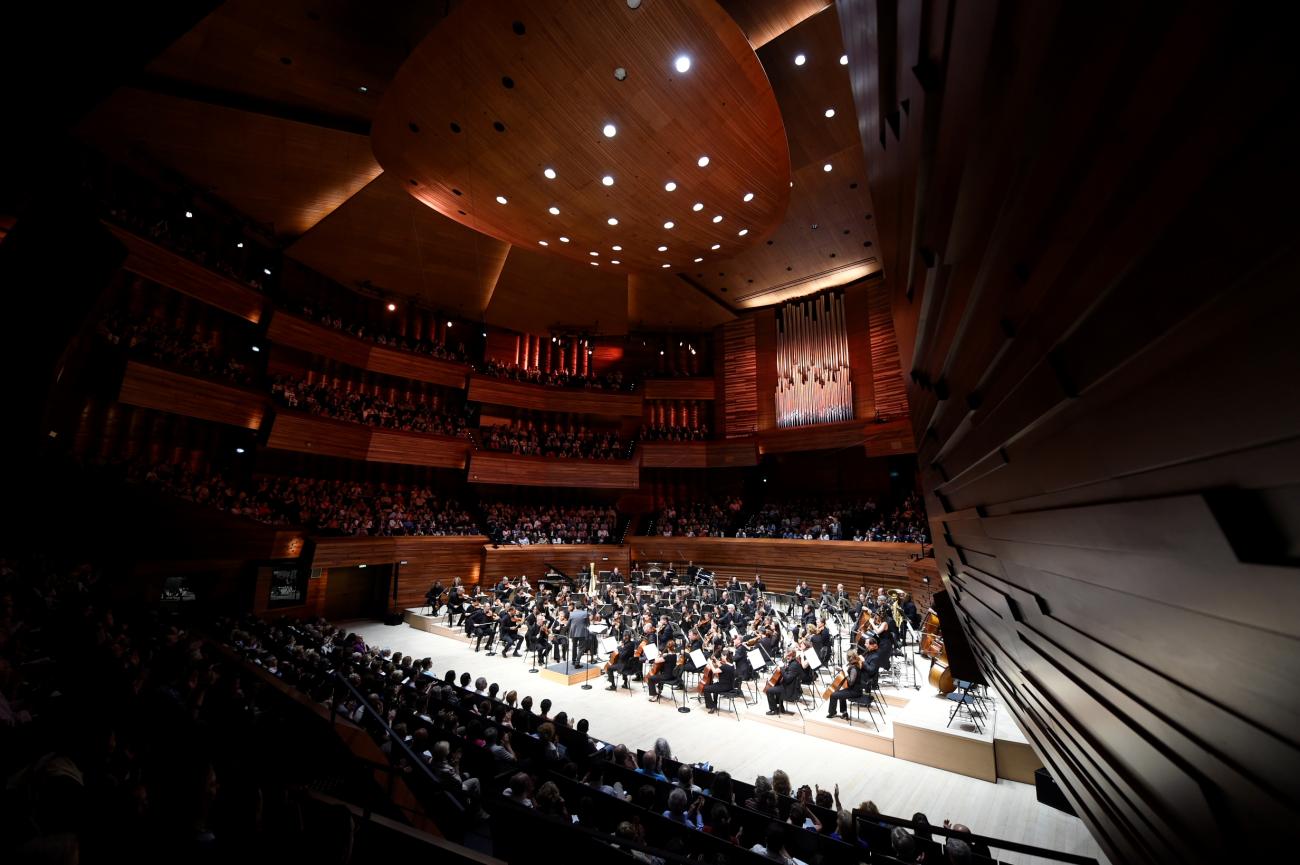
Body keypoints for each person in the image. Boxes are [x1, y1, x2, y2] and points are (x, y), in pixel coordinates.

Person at [765, 648, 808, 715]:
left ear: (793, 656)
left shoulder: (794, 665)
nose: (787, 657)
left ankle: (773, 710)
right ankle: (781, 707)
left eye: (789, 656)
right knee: (774, 685)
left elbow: (787, 679)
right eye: (787, 656)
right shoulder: (793, 663)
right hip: (789, 686)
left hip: (790, 690)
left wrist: (782, 668)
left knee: (768, 690)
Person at [827, 650, 866, 719]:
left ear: (849, 658)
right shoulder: (855, 664)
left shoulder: (854, 668)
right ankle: (844, 713)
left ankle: (832, 713)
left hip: (855, 692)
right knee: (840, 693)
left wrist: (845, 673)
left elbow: (851, 682)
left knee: (833, 695)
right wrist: (842, 670)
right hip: (854, 689)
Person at [569, 599, 591, 668]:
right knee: (581, 648)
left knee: (574, 647)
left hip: (573, 633)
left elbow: (568, 624)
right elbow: (588, 624)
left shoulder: (571, 613)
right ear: (581, 607)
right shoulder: (585, 613)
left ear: (575, 607)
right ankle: (577, 663)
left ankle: (573, 661)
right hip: (582, 633)